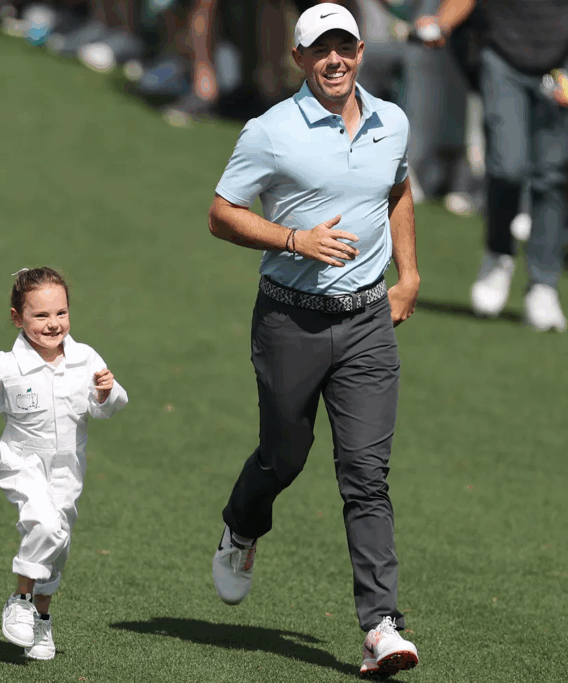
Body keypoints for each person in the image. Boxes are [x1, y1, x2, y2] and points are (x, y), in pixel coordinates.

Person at [206, 4, 420, 677]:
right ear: (298, 58)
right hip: (289, 322)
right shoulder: (270, 132)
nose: (334, 60)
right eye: (320, 50)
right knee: (284, 457)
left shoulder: (392, 121)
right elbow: (221, 214)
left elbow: (398, 189)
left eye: (344, 47)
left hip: (367, 324)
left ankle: (381, 625)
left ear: (361, 51)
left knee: (366, 475)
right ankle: (242, 523)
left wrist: (409, 275)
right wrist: (294, 239)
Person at [0, 267, 128, 661]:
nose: (53, 324)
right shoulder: (8, 368)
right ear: (17, 318)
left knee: (58, 543)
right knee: (44, 526)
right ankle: (20, 599)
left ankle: (42, 621)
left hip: (68, 470)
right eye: (41, 315)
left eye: (61, 313)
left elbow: (105, 408)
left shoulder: (85, 358)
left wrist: (105, 392)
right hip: (23, 463)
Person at [418, 0, 568, 331]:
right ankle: (498, 254)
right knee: (507, 166)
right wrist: (443, 23)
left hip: (561, 61)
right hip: (502, 55)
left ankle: (543, 285)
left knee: (552, 173)